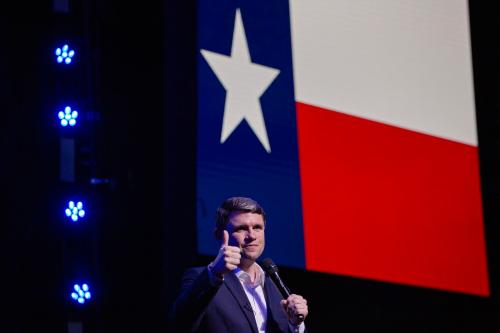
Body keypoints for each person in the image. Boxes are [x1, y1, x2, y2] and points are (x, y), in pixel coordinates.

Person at [170, 196, 308, 333]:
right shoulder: (202, 277)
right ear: (219, 235)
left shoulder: (276, 287)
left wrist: (295, 325)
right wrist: (214, 273)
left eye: (257, 227)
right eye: (241, 228)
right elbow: (179, 323)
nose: (252, 235)